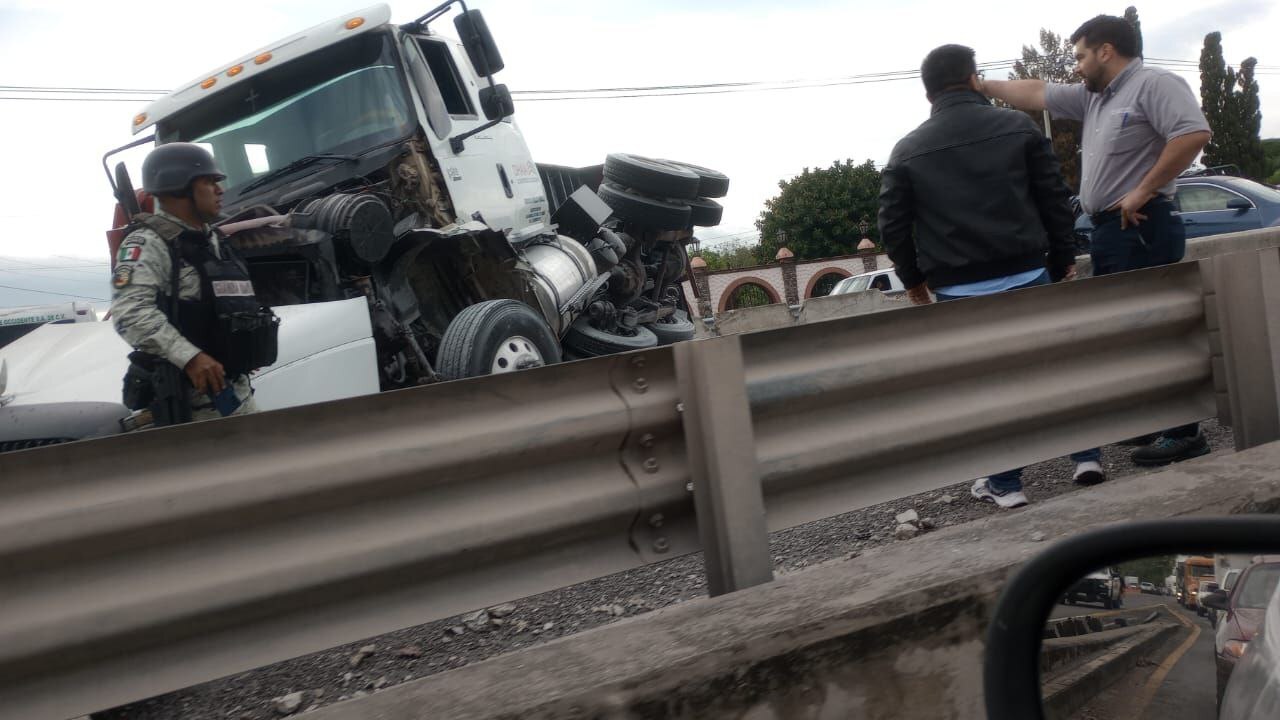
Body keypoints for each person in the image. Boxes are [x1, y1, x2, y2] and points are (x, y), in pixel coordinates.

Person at [981, 14, 1213, 467]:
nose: (1077, 66)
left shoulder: (1152, 84)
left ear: (1106, 51)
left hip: (1143, 225)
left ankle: (1185, 433)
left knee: (1156, 331)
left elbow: (1193, 133)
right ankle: (1156, 421)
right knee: (1127, 332)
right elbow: (1036, 92)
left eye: (1081, 56)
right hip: (1111, 232)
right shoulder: (1096, 98)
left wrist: (1144, 188)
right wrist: (984, 87)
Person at [878, 44, 1084, 509]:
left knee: (988, 386)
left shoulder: (907, 149)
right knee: (1054, 368)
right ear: (974, 79)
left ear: (928, 92)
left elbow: (891, 224)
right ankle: (1087, 457)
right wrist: (1063, 257)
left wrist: (913, 281)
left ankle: (1007, 485)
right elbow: (1055, 197)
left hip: (957, 287)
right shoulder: (1017, 127)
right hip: (1029, 270)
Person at [112, 142, 278, 425]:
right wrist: (190, 358)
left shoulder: (214, 240)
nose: (220, 189)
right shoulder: (149, 244)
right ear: (178, 188)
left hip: (235, 396)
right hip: (191, 414)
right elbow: (130, 313)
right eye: (209, 181)